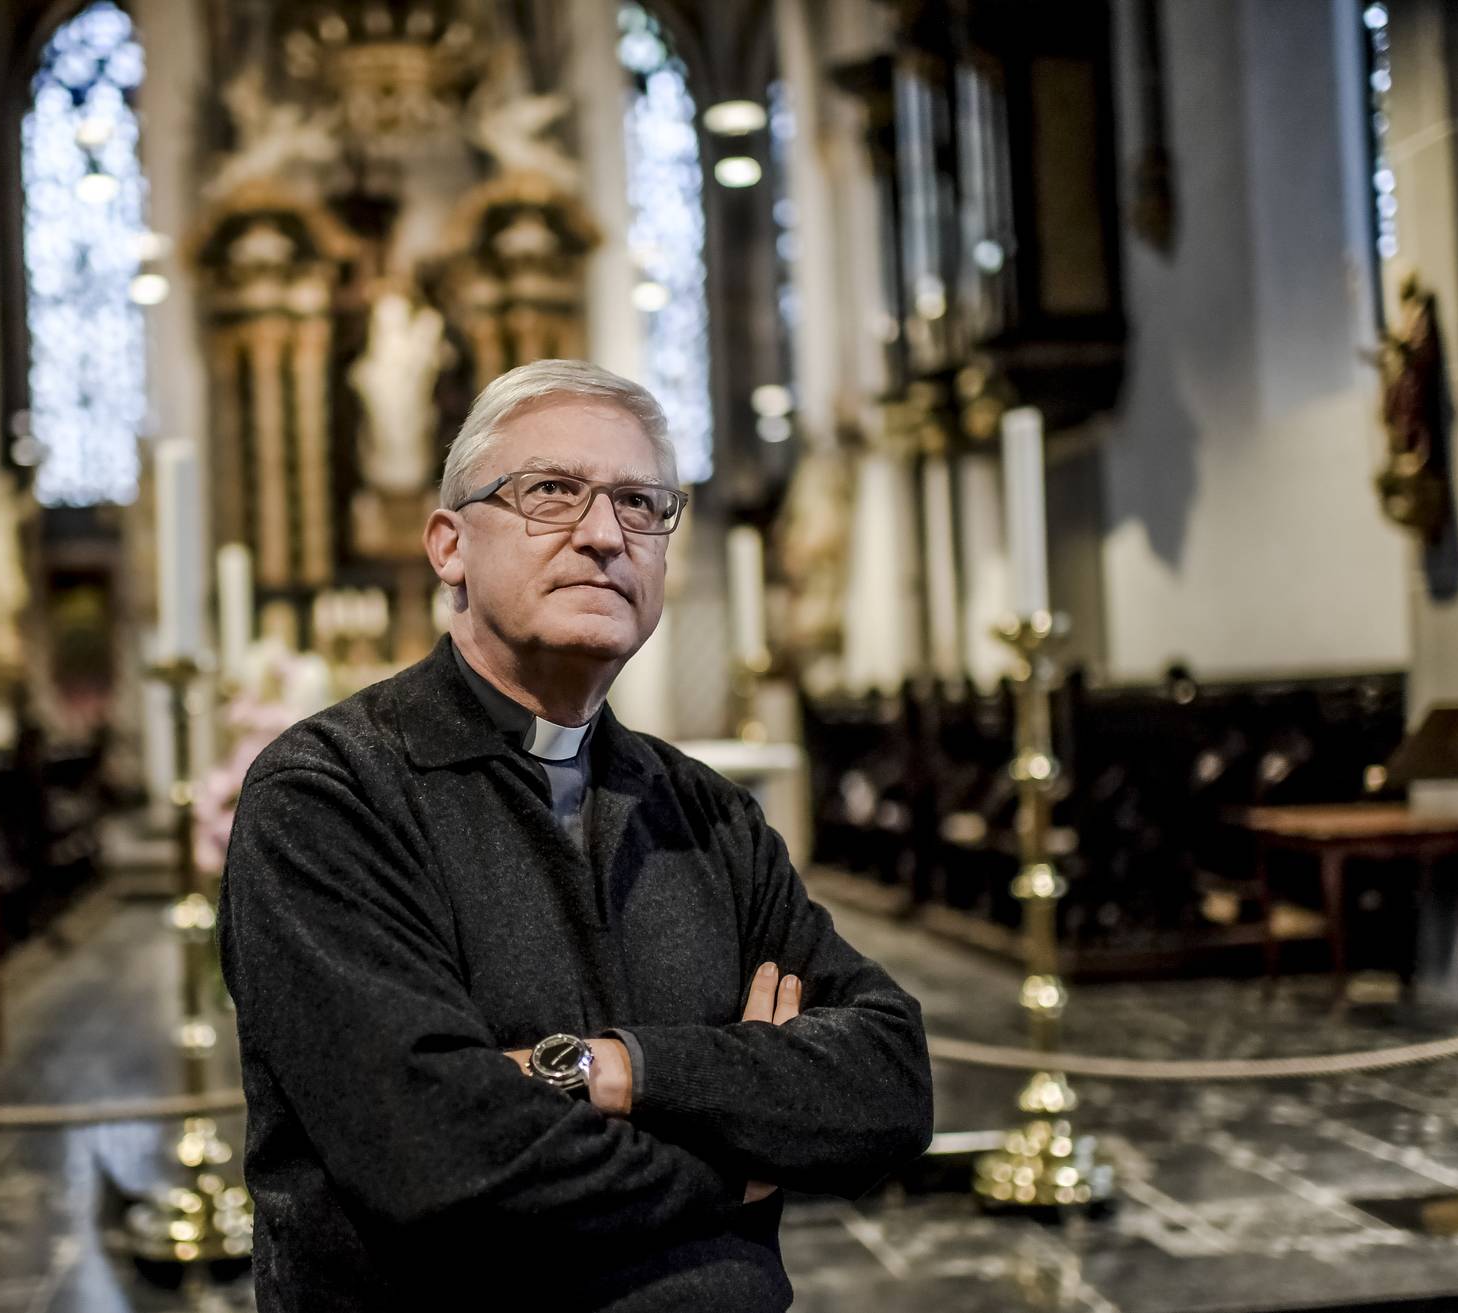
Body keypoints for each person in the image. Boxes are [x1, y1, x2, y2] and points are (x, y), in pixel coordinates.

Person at [220, 359, 932, 1311]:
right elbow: (432, 1150)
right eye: (552, 492)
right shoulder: (330, 793)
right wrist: (738, 1158)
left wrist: (618, 1068)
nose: (603, 535)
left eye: (641, 503)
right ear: (448, 545)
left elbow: (889, 1080)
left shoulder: (710, 812)